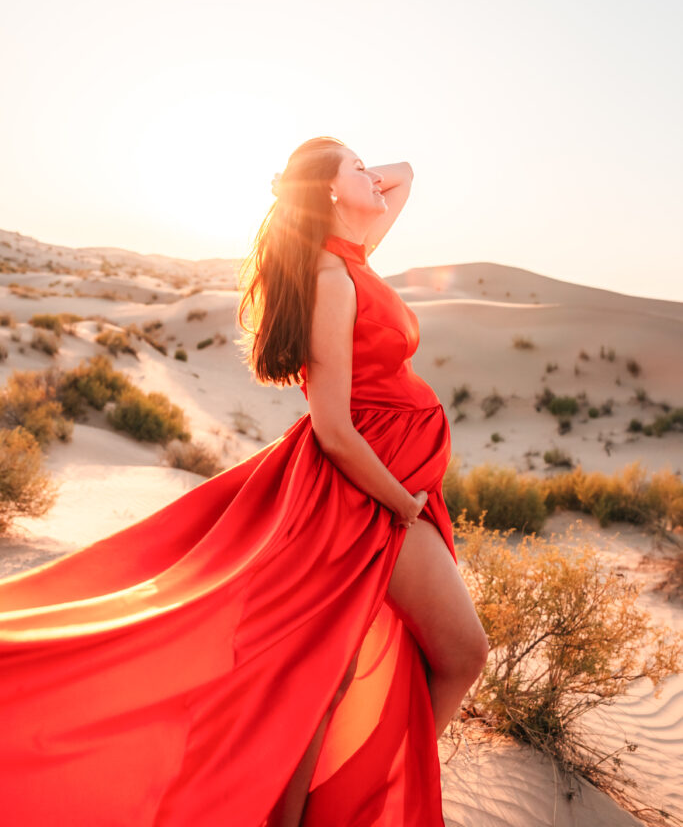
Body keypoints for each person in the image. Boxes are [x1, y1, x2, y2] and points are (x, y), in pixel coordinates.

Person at [0, 135, 488, 827]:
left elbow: (406, 175)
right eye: (354, 166)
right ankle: (366, 796)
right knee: (455, 654)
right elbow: (333, 429)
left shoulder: (356, 253)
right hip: (362, 496)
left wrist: (339, 174)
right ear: (326, 191)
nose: (372, 175)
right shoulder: (329, 277)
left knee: (328, 673)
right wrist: (397, 501)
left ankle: (320, 807)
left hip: (394, 483)